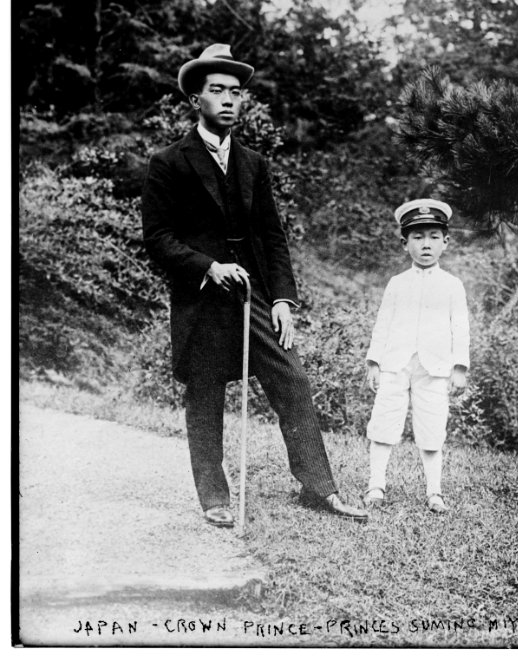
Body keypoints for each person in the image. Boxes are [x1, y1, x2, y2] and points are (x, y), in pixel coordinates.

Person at [141, 43, 368, 527]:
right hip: (203, 297)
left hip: (255, 295)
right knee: (204, 394)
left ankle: (318, 487)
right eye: (217, 91)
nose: (228, 100)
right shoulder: (169, 162)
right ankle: (214, 497)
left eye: (236, 93)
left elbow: (272, 236)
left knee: (293, 379)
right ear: (194, 100)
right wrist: (207, 266)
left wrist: (284, 298)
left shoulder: (253, 164)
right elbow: (157, 238)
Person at [362, 199, 470, 514]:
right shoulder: (397, 284)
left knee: (433, 427)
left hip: (434, 367)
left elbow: (460, 328)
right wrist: (374, 362)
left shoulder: (452, 285)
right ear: (405, 242)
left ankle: (434, 492)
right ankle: (376, 485)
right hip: (395, 363)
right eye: (418, 237)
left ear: (445, 242)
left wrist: (459, 367)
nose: (426, 244)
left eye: (434, 237)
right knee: (383, 422)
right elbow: (382, 324)